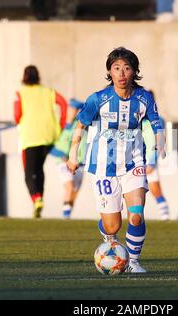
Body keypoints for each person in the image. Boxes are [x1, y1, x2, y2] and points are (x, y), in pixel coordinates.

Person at [67, 47, 166, 273]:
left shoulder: (144, 97)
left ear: (134, 72)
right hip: (104, 166)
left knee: (137, 215)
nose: (121, 73)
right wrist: (73, 154)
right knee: (113, 225)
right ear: (109, 72)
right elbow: (80, 124)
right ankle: (109, 236)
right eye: (116, 68)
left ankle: (133, 262)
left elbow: (156, 121)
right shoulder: (98, 99)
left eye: (127, 68)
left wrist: (160, 141)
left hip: (133, 163)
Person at [14, 65, 68, 218]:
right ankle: (40, 199)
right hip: (49, 135)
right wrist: (61, 124)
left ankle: (36, 199)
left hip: (30, 137)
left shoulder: (20, 93)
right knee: (39, 169)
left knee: (29, 172)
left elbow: (17, 115)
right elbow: (63, 103)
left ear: (24, 76)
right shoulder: (48, 92)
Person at [50, 98, 87, 219]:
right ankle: (65, 215)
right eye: (71, 109)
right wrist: (63, 157)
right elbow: (53, 145)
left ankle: (67, 215)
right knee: (70, 187)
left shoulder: (82, 126)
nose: (72, 112)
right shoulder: (62, 125)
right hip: (64, 162)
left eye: (75, 110)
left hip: (80, 164)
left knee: (75, 191)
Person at [142, 117, 170, 220]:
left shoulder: (158, 119)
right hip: (135, 160)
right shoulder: (134, 116)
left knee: (155, 189)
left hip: (149, 160)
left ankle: (165, 216)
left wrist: (152, 163)